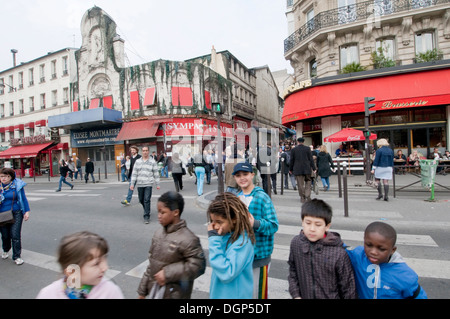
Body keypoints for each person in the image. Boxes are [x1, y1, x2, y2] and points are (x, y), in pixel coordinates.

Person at [137, 191, 205, 299]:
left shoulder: (188, 239)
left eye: (162, 212)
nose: (159, 216)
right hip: (155, 292)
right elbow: (151, 265)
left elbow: (198, 265)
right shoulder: (158, 234)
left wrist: (167, 273)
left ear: (175, 212)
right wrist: (142, 291)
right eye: (158, 212)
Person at [288, 199, 357, 299]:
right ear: (302, 222)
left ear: (327, 226)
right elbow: (293, 272)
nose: (312, 229)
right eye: (308, 223)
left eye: (318, 225)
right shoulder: (296, 243)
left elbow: (348, 288)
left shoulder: (338, 253)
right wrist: (296, 295)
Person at [345, 221, 427, 299]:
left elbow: (418, 296)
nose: (373, 252)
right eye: (369, 245)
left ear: (392, 250)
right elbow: (340, 248)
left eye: (381, 249)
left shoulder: (404, 274)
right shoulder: (358, 255)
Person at [232, 162, 279, 299]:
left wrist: (255, 223)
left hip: (259, 256)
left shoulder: (262, 197)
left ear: (252, 175)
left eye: (245, 174)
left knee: (257, 295)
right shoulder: (235, 197)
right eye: (238, 175)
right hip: (240, 255)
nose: (242, 178)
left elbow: (273, 225)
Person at [36, 231, 124, 299]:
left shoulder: (110, 292)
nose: (105, 268)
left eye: (104, 259)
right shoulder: (48, 295)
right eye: (96, 264)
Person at [207, 192, 255, 299]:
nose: (215, 226)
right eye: (213, 221)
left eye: (219, 221)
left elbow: (227, 273)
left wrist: (214, 241)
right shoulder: (223, 236)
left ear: (233, 219)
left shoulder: (243, 242)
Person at [0, 168, 31, 265]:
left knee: (15, 235)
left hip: (16, 212)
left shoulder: (17, 185)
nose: (3, 178)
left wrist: (26, 211)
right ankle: (5, 249)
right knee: (5, 235)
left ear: (11, 177)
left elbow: (23, 198)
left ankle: (17, 256)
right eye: (1, 176)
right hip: (1, 214)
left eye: (6, 176)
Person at [130, 146, 160, 224]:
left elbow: (156, 173)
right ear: (141, 152)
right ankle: (147, 209)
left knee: (146, 199)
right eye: (143, 151)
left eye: (146, 150)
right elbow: (134, 173)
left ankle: (146, 216)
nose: (145, 152)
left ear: (148, 151)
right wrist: (132, 184)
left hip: (148, 183)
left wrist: (157, 183)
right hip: (140, 183)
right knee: (141, 200)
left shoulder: (152, 161)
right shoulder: (137, 161)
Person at [289, 137, 317, 203]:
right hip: (307, 168)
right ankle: (308, 195)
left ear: (297, 142)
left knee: (300, 184)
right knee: (308, 181)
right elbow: (311, 159)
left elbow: (291, 160)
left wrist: (290, 169)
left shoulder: (294, 150)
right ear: (303, 142)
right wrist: (314, 168)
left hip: (298, 169)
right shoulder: (307, 149)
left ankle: (302, 196)